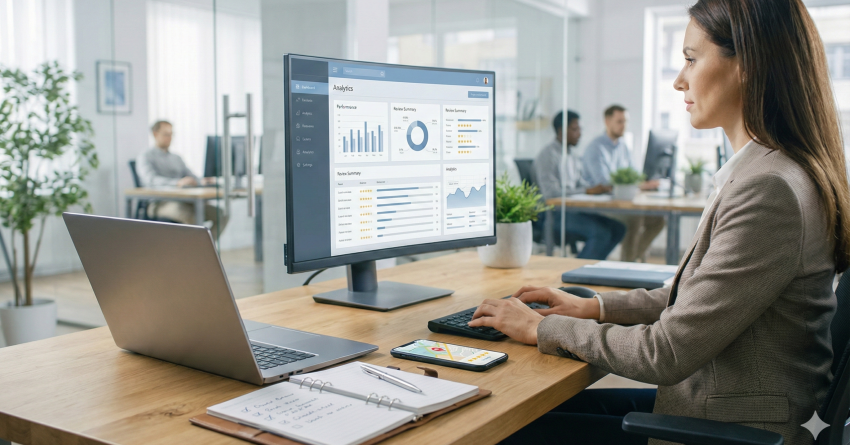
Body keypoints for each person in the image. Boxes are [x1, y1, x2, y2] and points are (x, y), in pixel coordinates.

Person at [470, 1, 850, 444]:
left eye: (691, 59)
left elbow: (665, 351)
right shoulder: (771, 172)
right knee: (536, 415)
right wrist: (593, 307)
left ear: (747, 63)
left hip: (732, 427)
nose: (679, 80)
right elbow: (695, 299)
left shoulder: (770, 189)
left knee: (508, 431)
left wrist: (540, 327)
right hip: (715, 403)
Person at [532, 111, 625, 260]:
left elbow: (580, 183)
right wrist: (587, 190)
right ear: (562, 130)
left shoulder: (572, 155)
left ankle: (592, 269)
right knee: (601, 233)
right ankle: (577, 271)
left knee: (618, 228)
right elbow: (550, 193)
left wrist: (598, 189)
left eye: (580, 129)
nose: (580, 134)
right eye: (575, 129)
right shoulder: (548, 155)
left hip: (572, 211)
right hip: (552, 215)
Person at [582, 105, 666, 262]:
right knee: (634, 217)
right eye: (619, 121)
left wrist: (645, 182)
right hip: (602, 205)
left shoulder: (623, 146)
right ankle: (628, 262)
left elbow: (633, 174)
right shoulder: (596, 148)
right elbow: (604, 183)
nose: (624, 126)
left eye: (625, 121)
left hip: (621, 201)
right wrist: (640, 186)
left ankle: (634, 258)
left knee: (658, 219)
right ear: (607, 121)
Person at [136, 121, 229, 238]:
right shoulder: (146, 156)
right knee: (193, 218)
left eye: (171, 134)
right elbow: (150, 180)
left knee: (222, 214)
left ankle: (205, 248)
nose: (169, 138)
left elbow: (190, 176)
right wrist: (177, 182)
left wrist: (201, 181)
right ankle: (197, 251)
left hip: (185, 200)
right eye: (166, 134)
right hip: (160, 203)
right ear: (155, 134)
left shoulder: (176, 158)